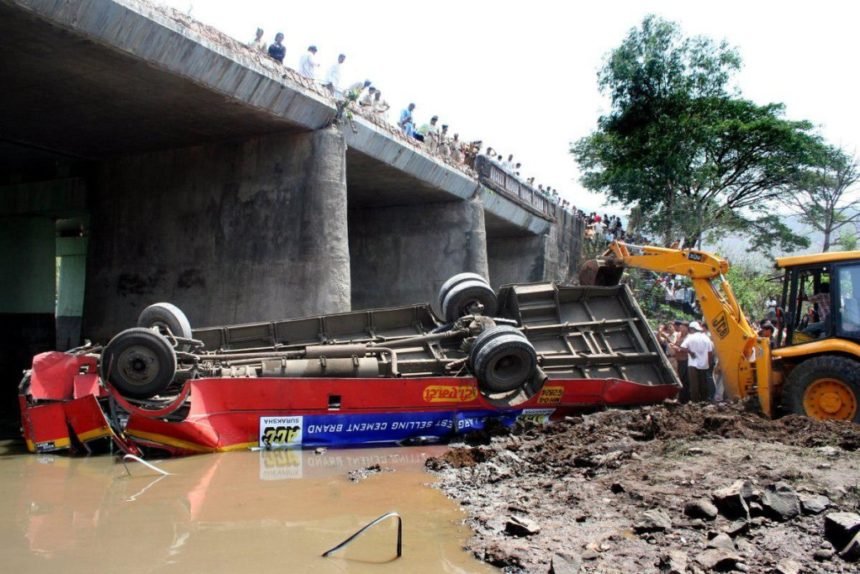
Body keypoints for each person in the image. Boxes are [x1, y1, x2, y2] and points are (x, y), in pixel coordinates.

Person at [681, 321, 715, 402]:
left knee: (694, 384)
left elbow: (682, 347)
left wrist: (690, 352)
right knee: (703, 383)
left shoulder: (690, 337)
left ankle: (695, 402)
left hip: (692, 364)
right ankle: (704, 400)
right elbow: (710, 353)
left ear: (691, 329)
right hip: (704, 364)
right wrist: (709, 363)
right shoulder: (706, 338)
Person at [669, 320, 691, 402]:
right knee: (679, 379)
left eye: (683, 327)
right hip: (677, 360)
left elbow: (688, 349)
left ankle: (685, 398)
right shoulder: (678, 335)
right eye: (680, 326)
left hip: (685, 360)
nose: (680, 328)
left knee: (684, 380)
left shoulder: (688, 337)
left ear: (686, 328)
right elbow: (674, 344)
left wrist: (677, 348)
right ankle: (680, 397)